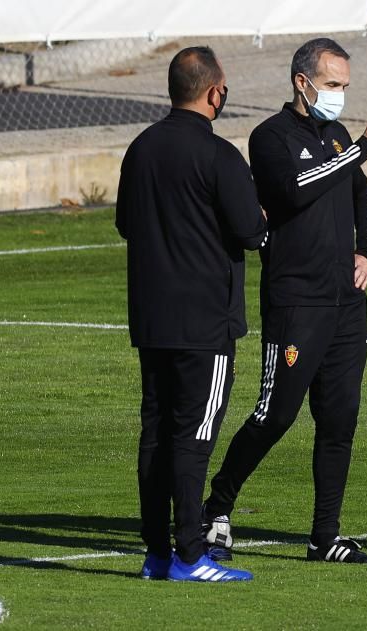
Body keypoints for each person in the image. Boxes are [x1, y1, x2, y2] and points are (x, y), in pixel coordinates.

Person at [201, 37, 367, 565]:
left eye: (345, 87)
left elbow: (363, 199)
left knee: (340, 419)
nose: (339, 96)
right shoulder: (269, 137)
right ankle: (216, 508)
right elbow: (292, 189)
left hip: (345, 305)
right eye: (332, 85)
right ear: (301, 82)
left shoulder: (335, 137)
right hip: (296, 300)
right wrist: (359, 148)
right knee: (275, 413)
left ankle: (323, 537)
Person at [116, 46, 266, 582]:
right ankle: (187, 554)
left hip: (152, 320)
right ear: (214, 92)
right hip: (205, 323)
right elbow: (252, 232)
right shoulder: (220, 156)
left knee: (155, 433)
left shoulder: (141, 148)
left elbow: (126, 225)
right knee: (194, 437)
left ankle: (157, 552)